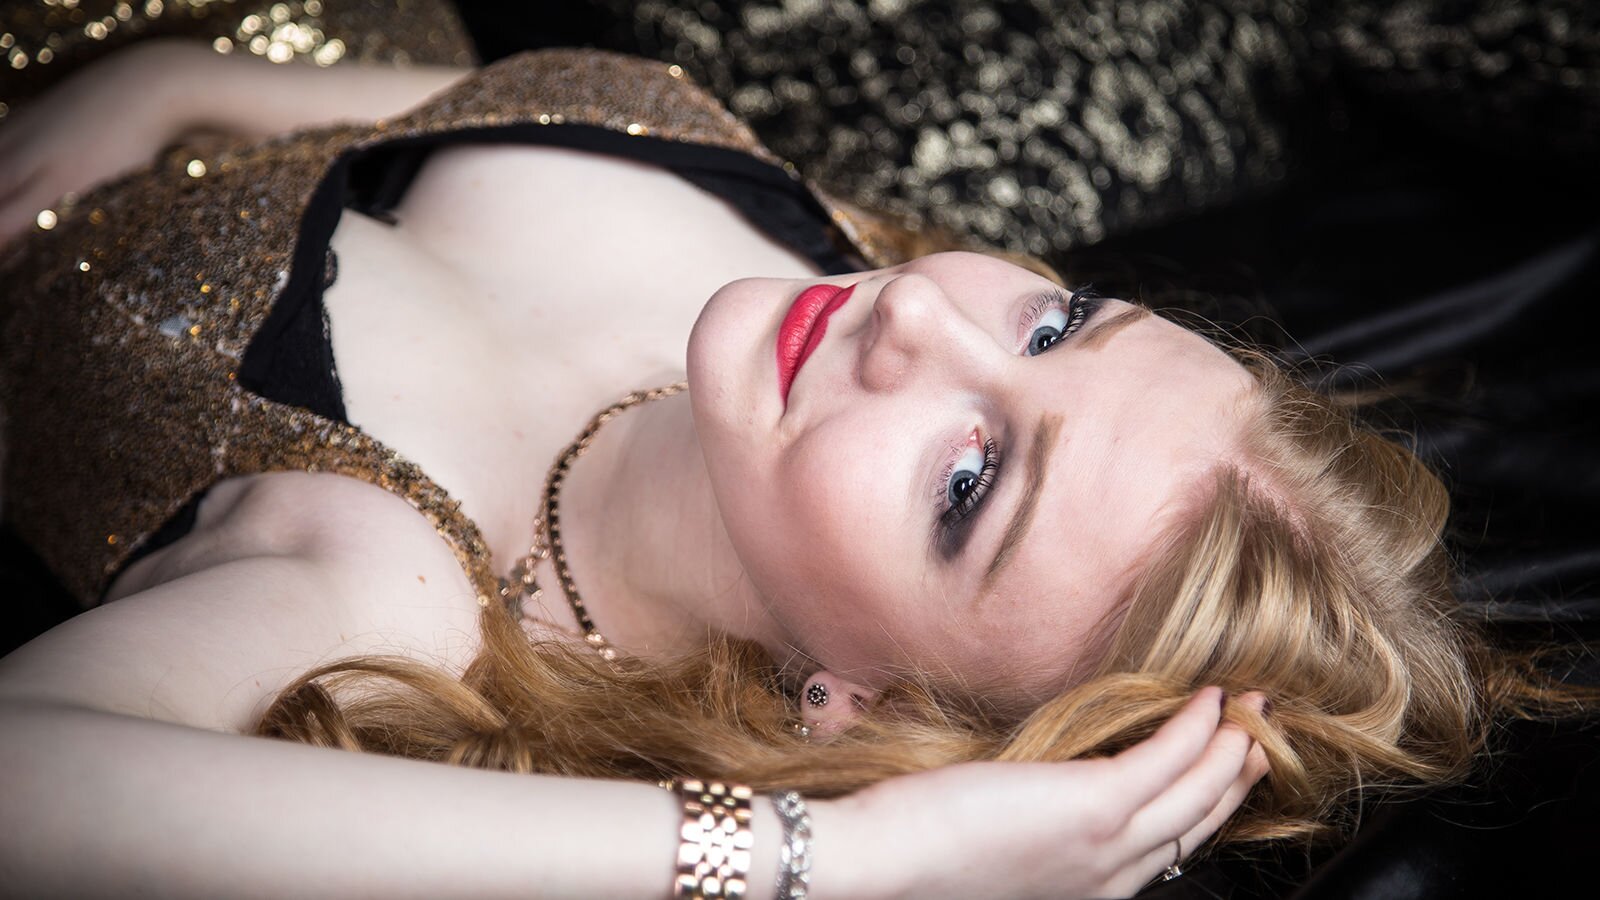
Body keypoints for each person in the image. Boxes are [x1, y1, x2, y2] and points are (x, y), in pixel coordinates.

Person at [0, 33, 1579, 899]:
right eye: (1058, 324)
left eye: (968, 485)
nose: (915, 317)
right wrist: (186, 79)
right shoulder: (794, 247)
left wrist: (848, 858)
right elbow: (442, 104)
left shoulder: (388, 583)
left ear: (858, 703)